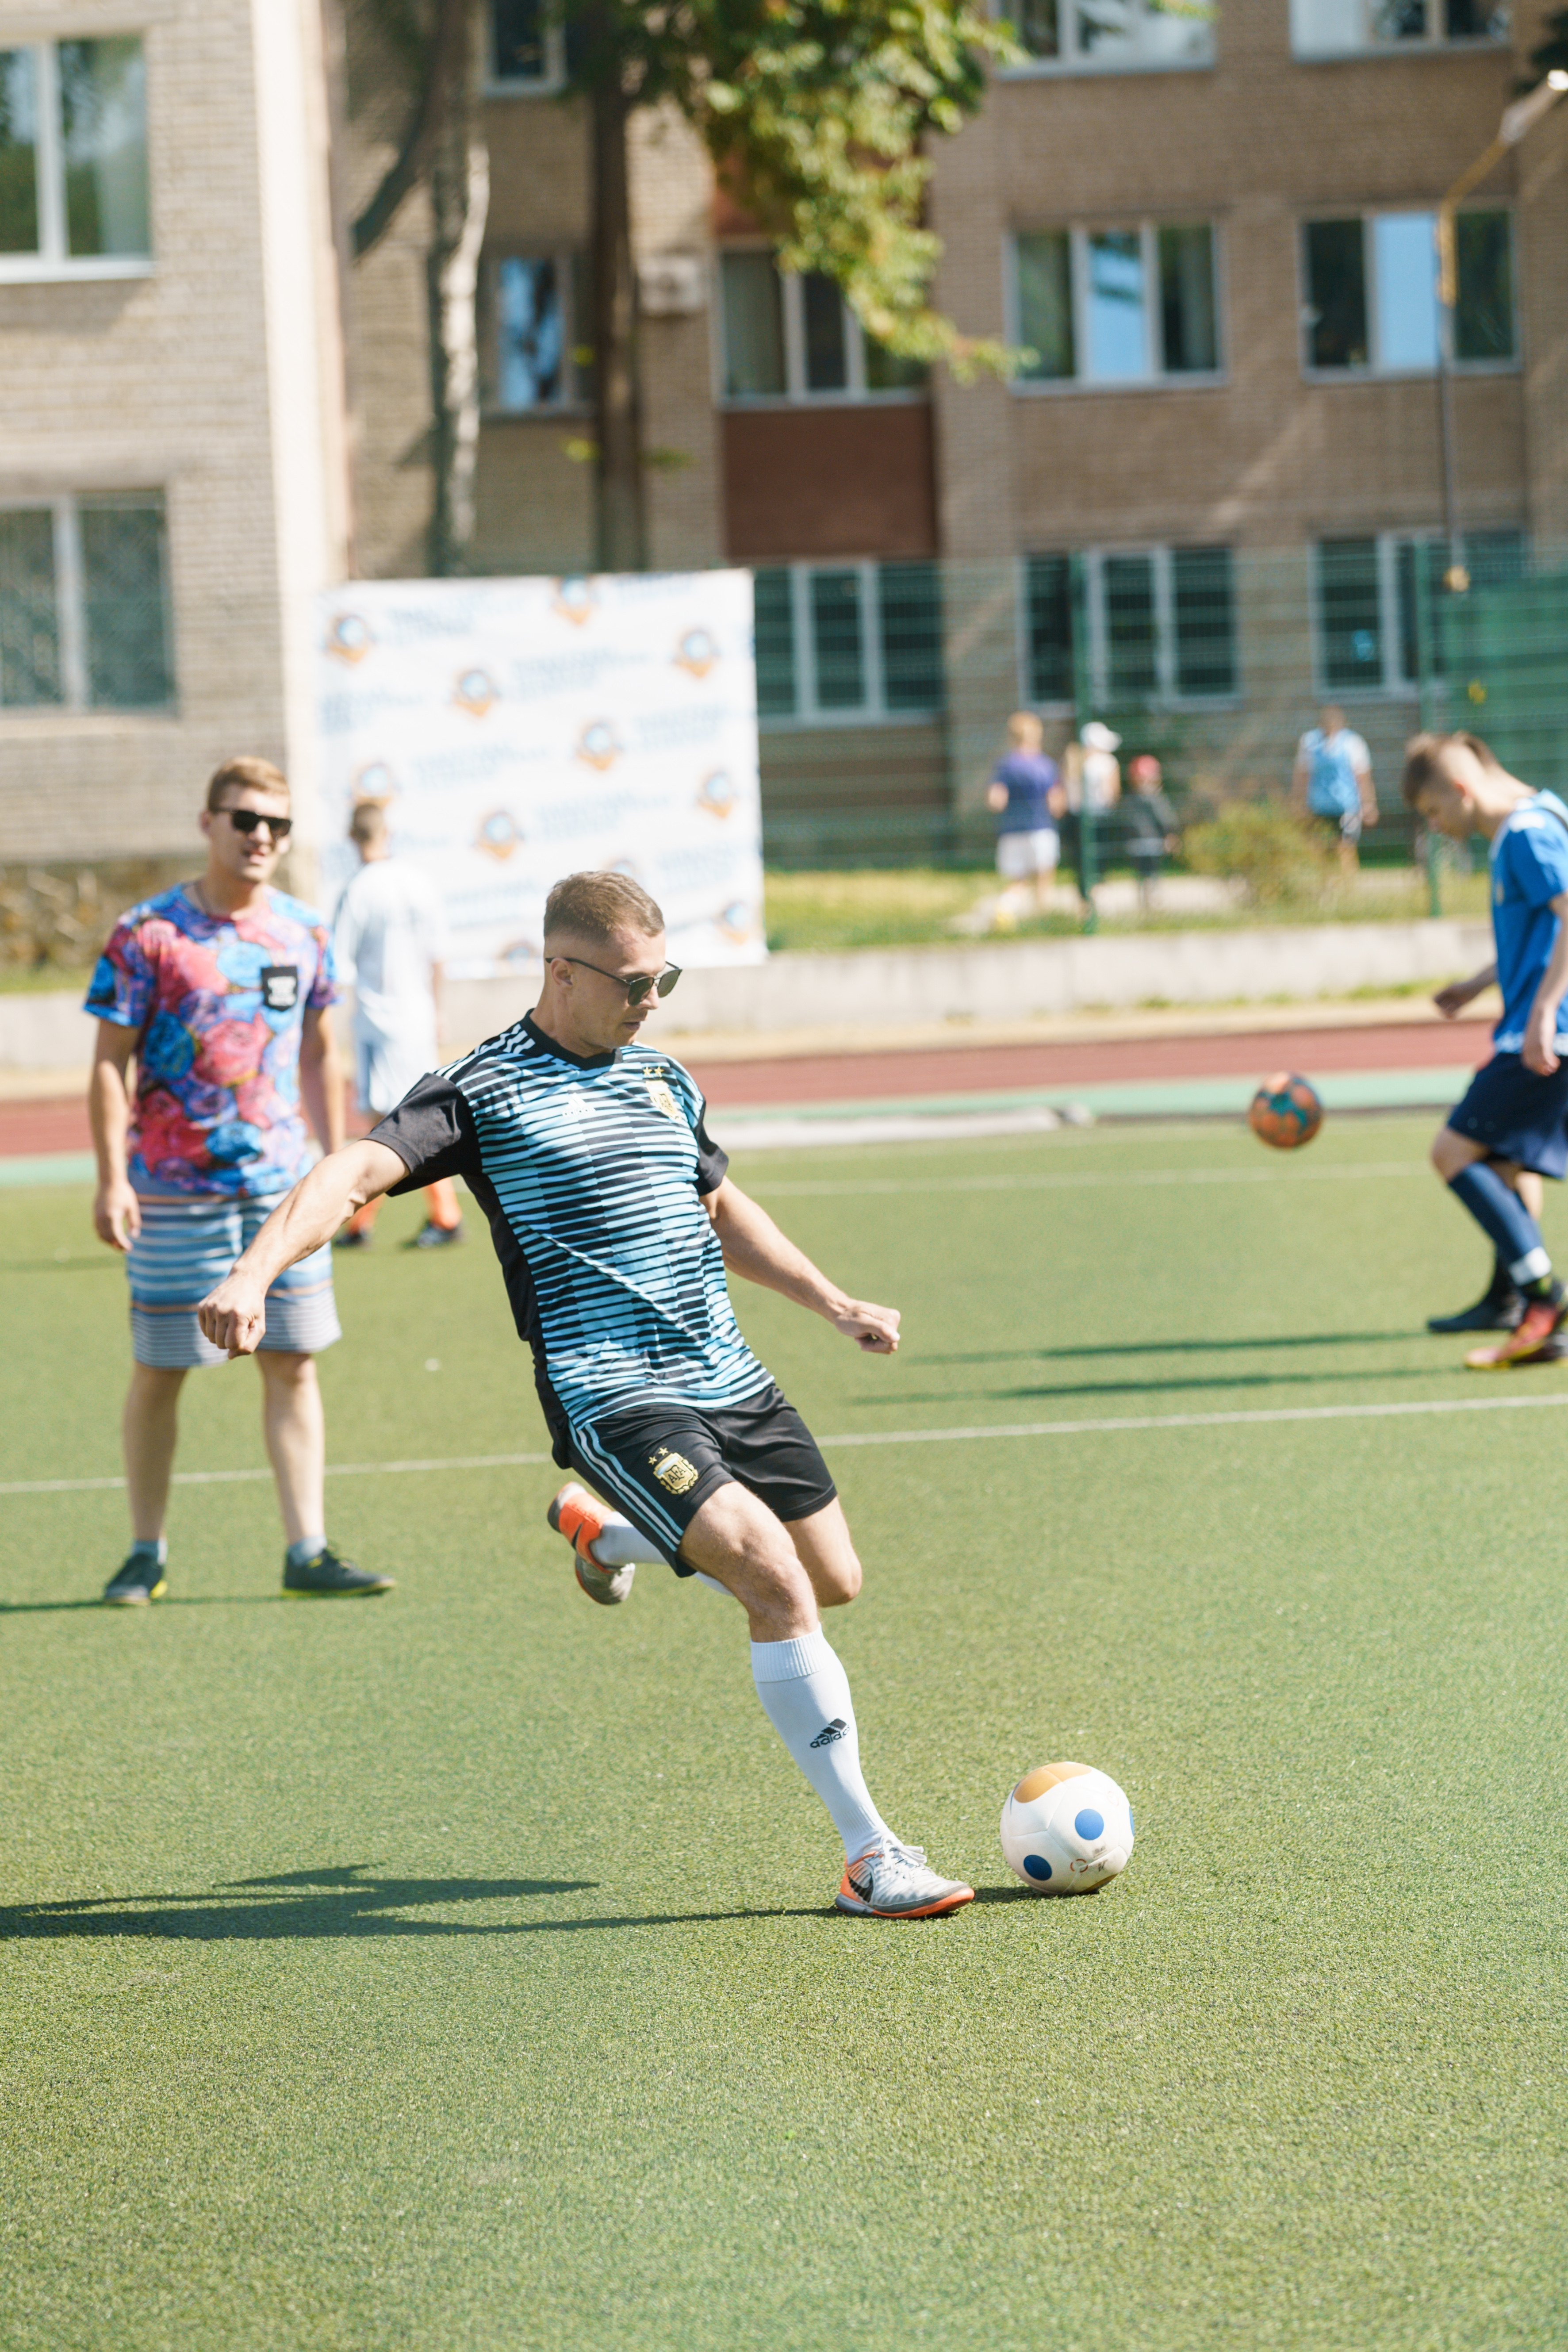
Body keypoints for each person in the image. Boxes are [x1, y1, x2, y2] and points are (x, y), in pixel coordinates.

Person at [197, 870, 975, 1921]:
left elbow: (720, 1207)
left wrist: (830, 1301)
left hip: (729, 1375)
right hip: (611, 1393)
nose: (650, 1001)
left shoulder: (663, 1077)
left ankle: (607, 1541)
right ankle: (869, 1855)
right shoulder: (478, 1089)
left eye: (666, 980)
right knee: (774, 1585)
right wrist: (253, 1271)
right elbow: (347, 1174)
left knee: (832, 1579)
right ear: (563, 971)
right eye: (634, 983)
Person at [84, 756, 392, 1604]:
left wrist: (341, 1169)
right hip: (171, 1190)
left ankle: (309, 1550)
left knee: (293, 1364)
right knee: (162, 1367)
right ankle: (145, 1551)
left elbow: (323, 1050)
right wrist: (112, 1177)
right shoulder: (149, 932)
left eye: (279, 825)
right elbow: (110, 1063)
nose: (262, 837)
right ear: (208, 822)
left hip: (280, 1192)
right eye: (246, 819)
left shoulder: (303, 931)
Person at [1403, 731, 1568, 1367]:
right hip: (1540, 1021)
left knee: (1452, 1153)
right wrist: (1476, 984)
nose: (1439, 827)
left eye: (1434, 813)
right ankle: (1515, 1303)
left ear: (1461, 791)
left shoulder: (1525, 834)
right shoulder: (1542, 813)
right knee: (1505, 1166)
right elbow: (1538, 931)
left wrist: (1547, 1009)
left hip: (1546, 1029)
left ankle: (1542, 1296)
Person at [332, 799, 463, 1250]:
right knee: (400, 1118)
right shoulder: (418, 882)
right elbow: (439, 954)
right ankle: (362, 1221)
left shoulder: (358, 889)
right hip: (417, 1015)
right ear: (386, 833)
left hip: (377, 1017)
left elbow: (339, 965)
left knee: (389, 1121)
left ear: (353, 838)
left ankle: (440, 1214)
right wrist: (437, 1008)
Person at [985, 710, 1064, 923]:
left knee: (1018, 881)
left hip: (1012, 830)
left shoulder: (1006, 766)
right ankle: (1043, 920)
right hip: (1041, 828)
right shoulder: (1046, 765)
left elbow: (996, 800)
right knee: (1043, 879)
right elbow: (1055, 803)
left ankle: (1005, 908)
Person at [1293, 705, 1378, 874]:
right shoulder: (1309, 742)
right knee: (1318, 846)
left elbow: (1362, 777)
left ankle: (1348, 883)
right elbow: (1302, 775)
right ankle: (1326, 884)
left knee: (1346, 846)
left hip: (1346, 806)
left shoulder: (1353, 743)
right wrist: (1298, 802)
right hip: (1318, 805)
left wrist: (1368, 804)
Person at [1122, 753, 1180, 909]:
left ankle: (1148, 902)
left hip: (1144, 843)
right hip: (1149, 843)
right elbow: (1166, 819)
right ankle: (1150, 902)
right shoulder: (1153, 798)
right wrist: (1170, 834)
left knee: (1146, 874)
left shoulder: (1132, 799)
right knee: (1150, 874)